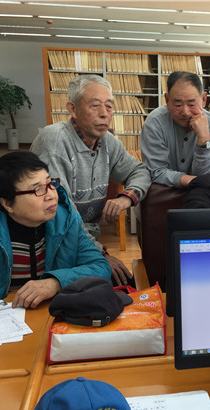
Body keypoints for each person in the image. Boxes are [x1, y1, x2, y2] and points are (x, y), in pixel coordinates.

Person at [0, 152, 111, 324]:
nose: (51, 195)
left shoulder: (66, 222)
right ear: (7, 203)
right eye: (38, 189)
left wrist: (56, 282)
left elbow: (100, 267)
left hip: (53, 319)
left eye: (50, 183)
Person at [31, 74, 151, 286]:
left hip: (84, 244)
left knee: (128, 287)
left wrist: (126, 198)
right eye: (95, 106)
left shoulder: (108, 142)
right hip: (52, 245)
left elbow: (140, 171)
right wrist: (101, 255)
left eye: (109, 106)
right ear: (72, 109)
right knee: (115, 285)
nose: (104, 113)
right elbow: (62, 213)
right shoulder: (54, 141)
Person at [140, 71, 210, 188]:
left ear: (204, 99)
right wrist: (189, 180)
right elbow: (156, 171)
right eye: (178, 105)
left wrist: (203, 141)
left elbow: (205, 175)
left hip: (201, 194)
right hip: (163, 192)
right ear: (167, 100)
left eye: (191, 105)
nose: (185, 112)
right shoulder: (155, 123)